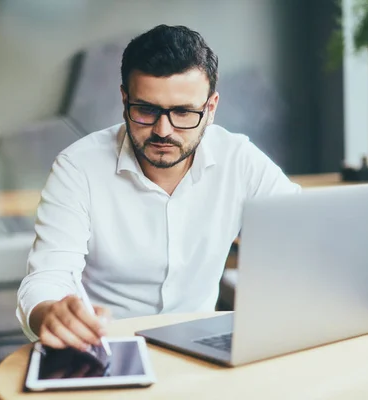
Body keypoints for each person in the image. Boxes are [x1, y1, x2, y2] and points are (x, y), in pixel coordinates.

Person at [16, 24, 301, 352]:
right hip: (105, 348)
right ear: (125, 100)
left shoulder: (239, 160)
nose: (163, 130)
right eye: (146, 110)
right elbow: (47, 277)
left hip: (202, 350)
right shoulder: (78, 168)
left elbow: (301, 237)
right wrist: (50, 313)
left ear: (210, 108)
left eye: (183, 112)